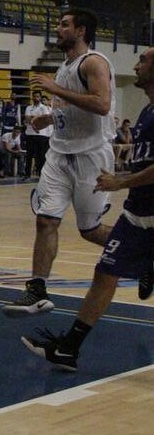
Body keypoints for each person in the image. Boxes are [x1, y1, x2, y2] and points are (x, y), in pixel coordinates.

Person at [22, 46, 154, 370]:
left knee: (100, 255)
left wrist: (120, 183)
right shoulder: (147, 112)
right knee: (104, 273)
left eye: (143, 60)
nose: (135, 66)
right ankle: (69, 348)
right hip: (138, 213)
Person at [3, 9, 115, 316]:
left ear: (80, 31)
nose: (58, 28)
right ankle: (37, 290)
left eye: (64, 25)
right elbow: (74, 105)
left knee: (89, 230)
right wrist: (51, 116)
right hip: (59, 152)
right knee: (45, 219)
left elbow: (102, 104)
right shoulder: (65, 66)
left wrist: (55, 90)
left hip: (91, 155)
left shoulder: (93, 62)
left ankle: (142, 254)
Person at [23, 88, 53, 177]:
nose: (36, 98)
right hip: (30, 134)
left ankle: (41, 174)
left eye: (38, 96)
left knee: (41, 156)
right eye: (34, 96)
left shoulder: (44, 108)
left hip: (41, 134)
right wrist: (37, 118)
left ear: (40, 97)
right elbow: (27, 119)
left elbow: (45, 119)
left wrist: (34, 118)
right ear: (32, 97)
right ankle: (27, 174)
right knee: (29, 155)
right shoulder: (28, 107)